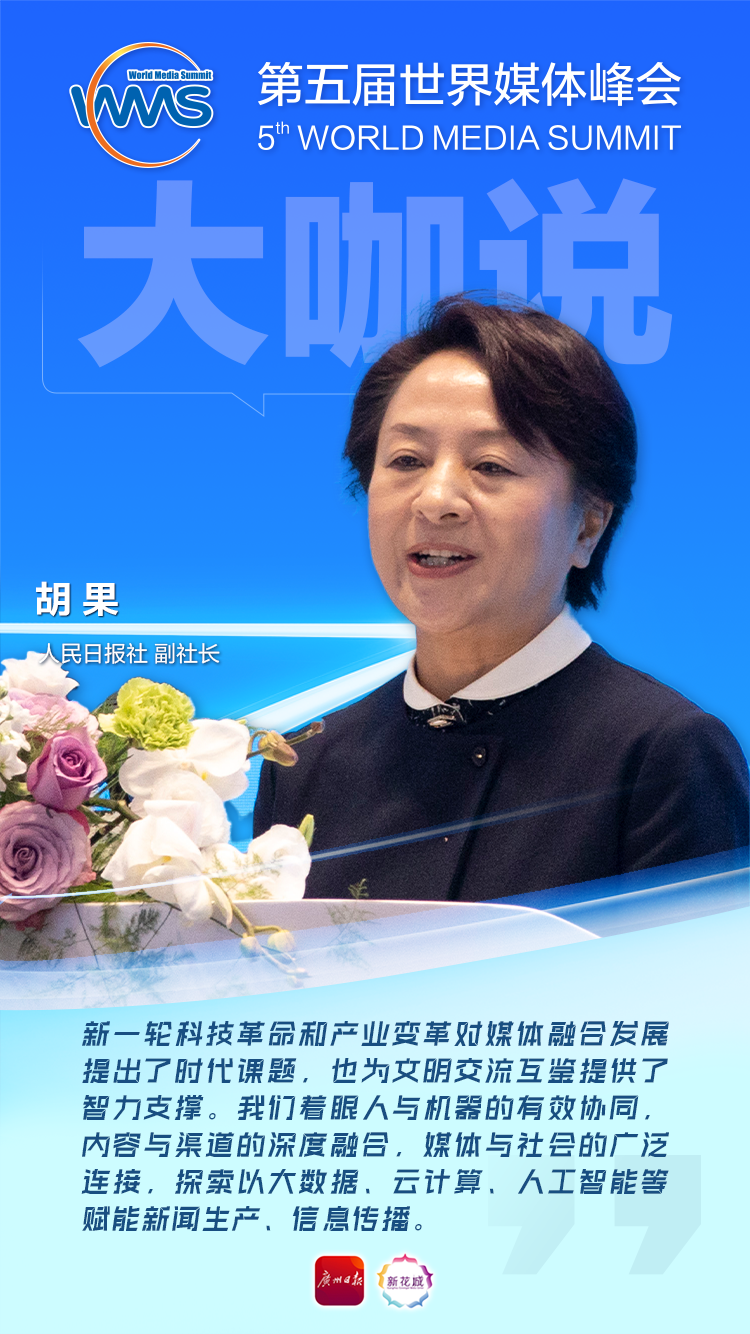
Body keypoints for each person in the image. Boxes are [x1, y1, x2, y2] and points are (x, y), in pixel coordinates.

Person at [254, 297, 748, 901]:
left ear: (587, 526)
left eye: (490, 466)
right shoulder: (306, 761)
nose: (436, 499)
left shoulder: (662, 754)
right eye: (407, 460)